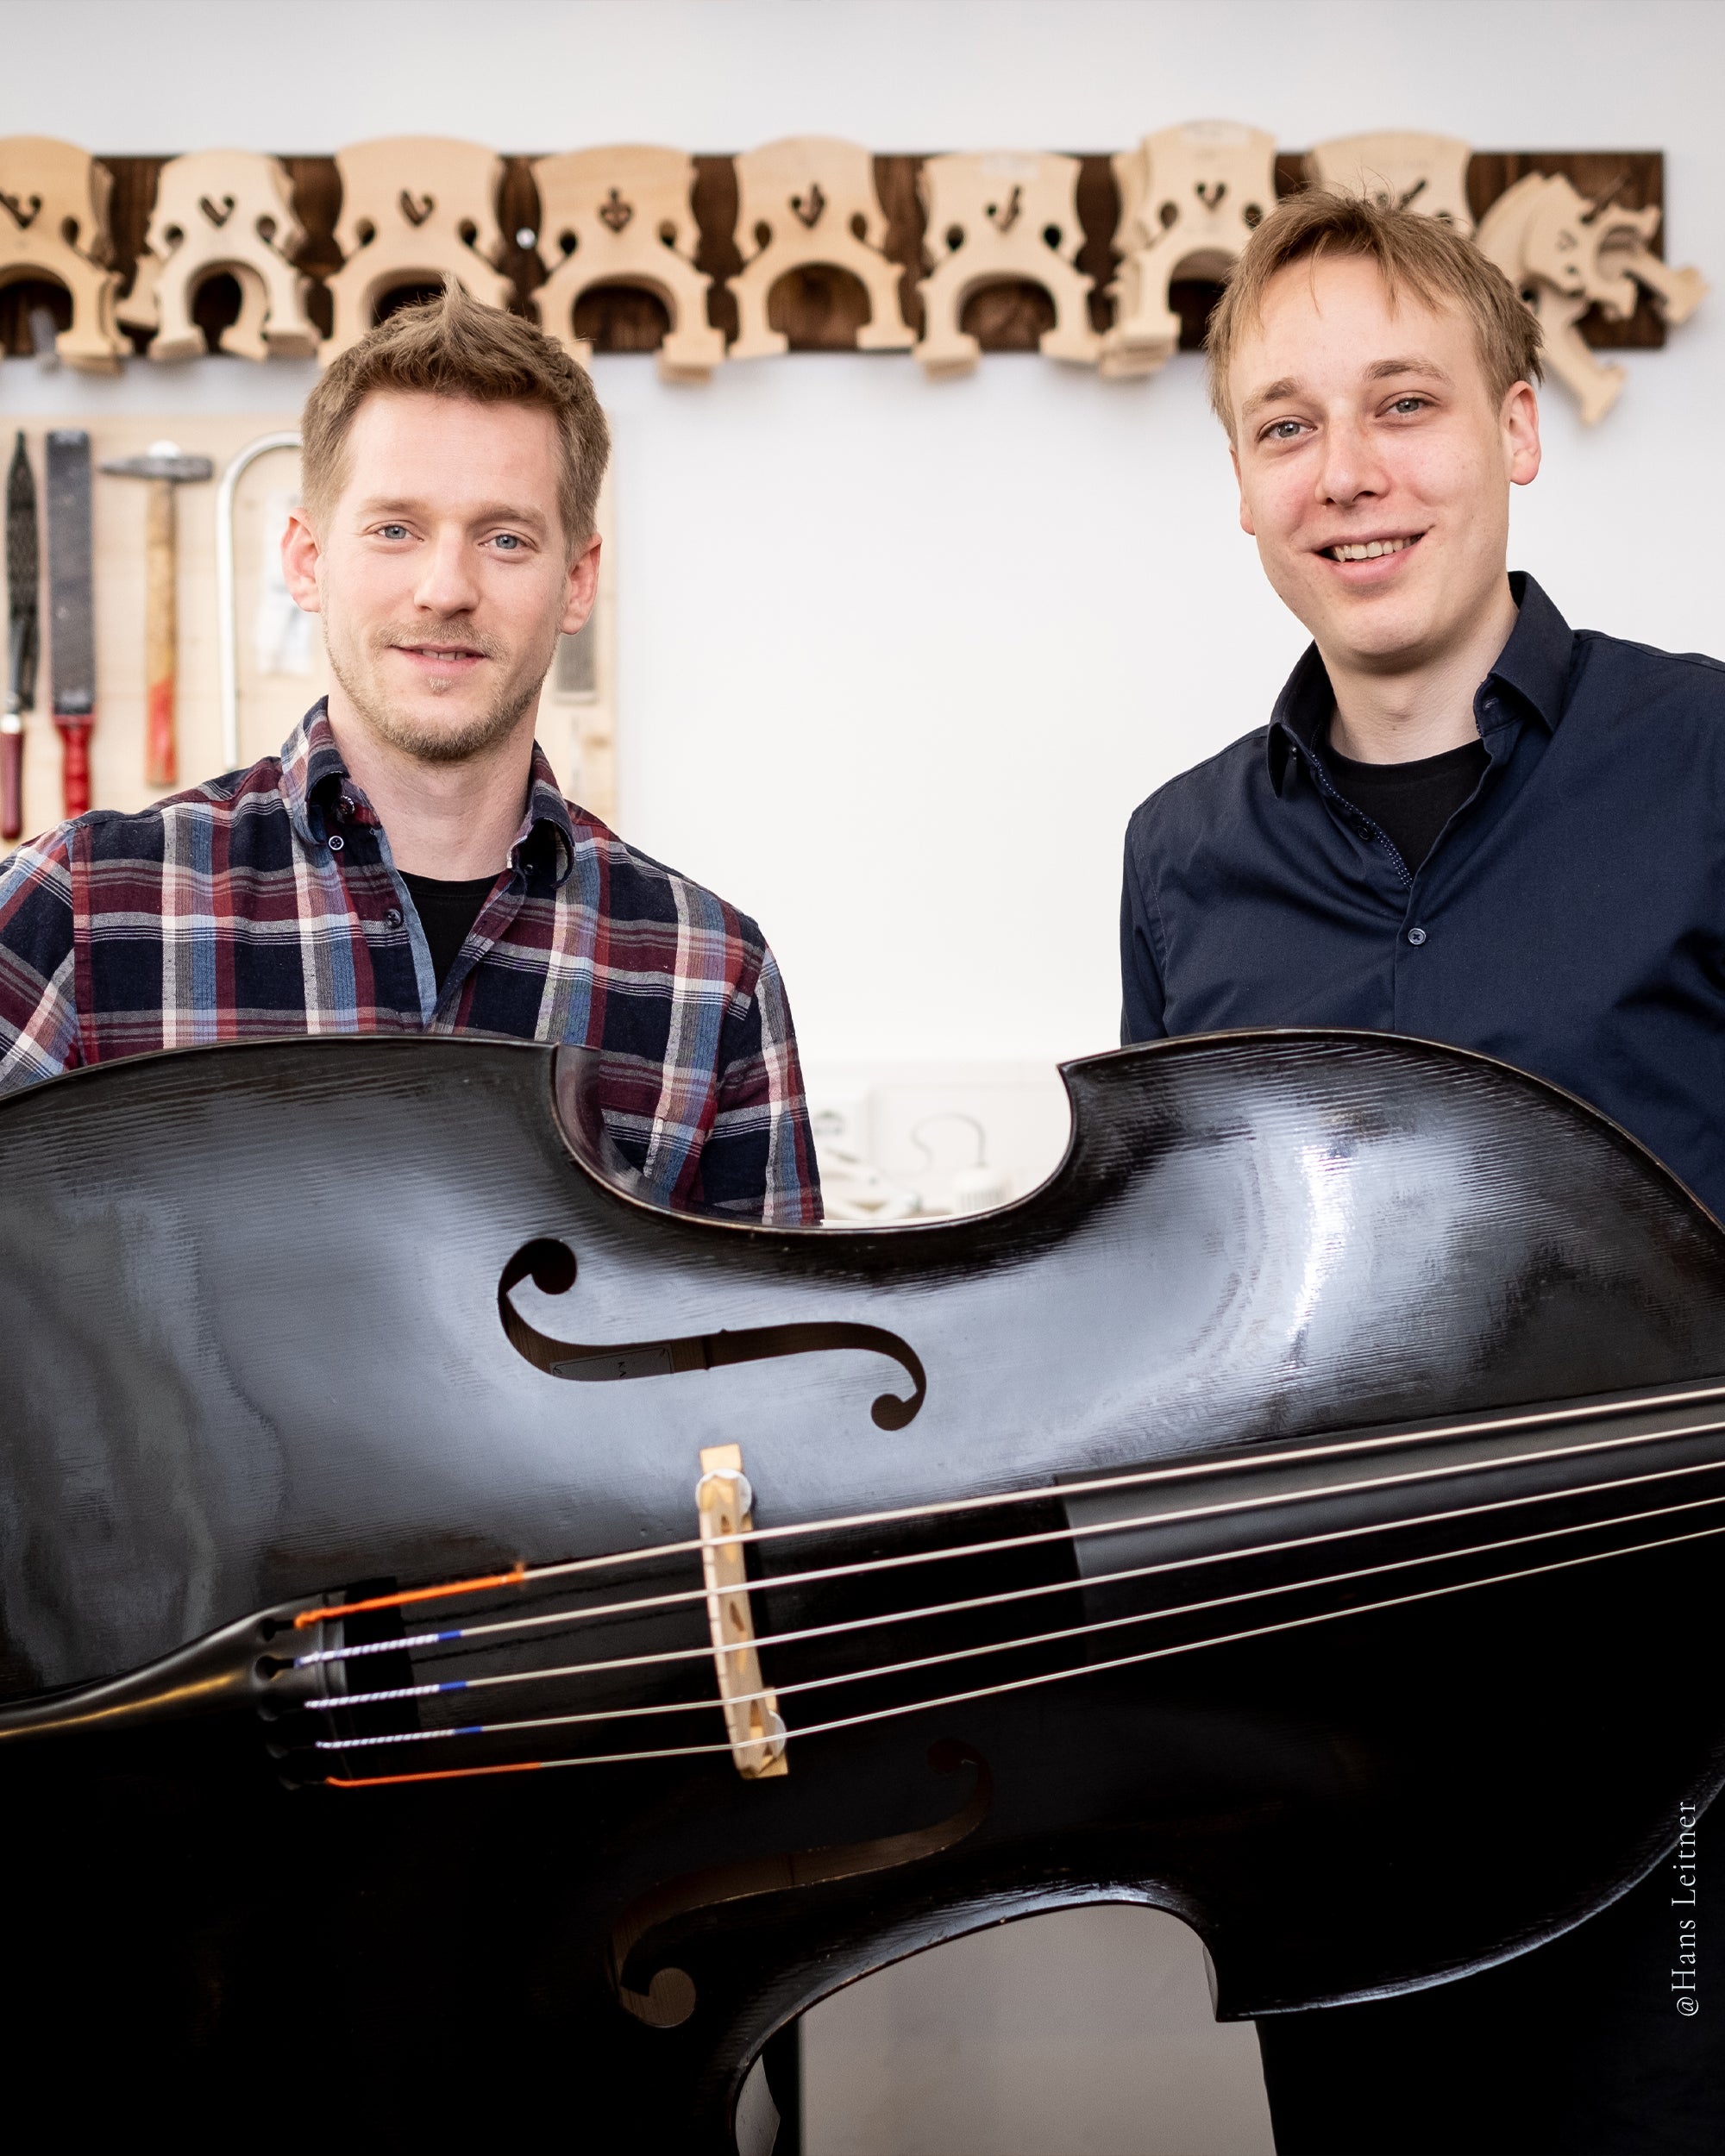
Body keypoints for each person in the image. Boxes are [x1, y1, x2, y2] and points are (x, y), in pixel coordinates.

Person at [1120, 190, 1724, 2153]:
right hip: (1340, 1768)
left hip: (1685, 1743)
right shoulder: (1176, 856)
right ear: (1234, 484)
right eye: (1283, 425)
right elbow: (1180, 1303)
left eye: (1401, 402)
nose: (1347, 475)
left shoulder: (1704, 760)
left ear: (1515, 429)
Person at [0, 285, 819, 1225]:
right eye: (394, 529)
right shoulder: (79, 910)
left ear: (577, 581)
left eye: (504, 538)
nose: (445, 587)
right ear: (307, 560)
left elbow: (770, 1366)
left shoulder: (708, 976)